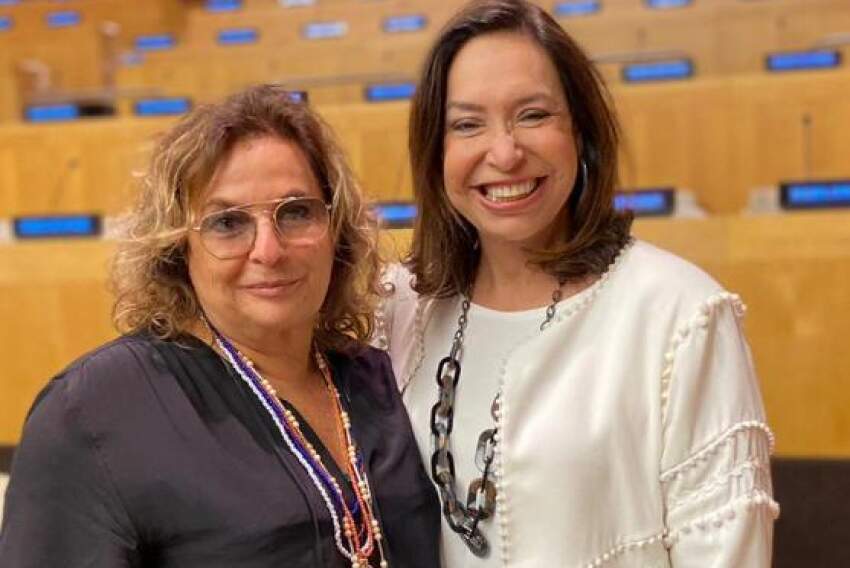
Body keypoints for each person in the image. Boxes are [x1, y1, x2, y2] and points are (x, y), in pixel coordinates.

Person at [378, 0, 777, 566]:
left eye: (533, 115)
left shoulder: (682, 313)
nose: (504, 151)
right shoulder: (401, 309)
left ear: (582, 131)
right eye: (467, 124)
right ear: (435, 152)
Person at [0, 85, 439, 568]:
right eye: (227, 223)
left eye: (296, 213)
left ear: (336, 230)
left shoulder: (377, 379)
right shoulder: (92, 412)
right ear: (176, 247)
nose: (269, 251)